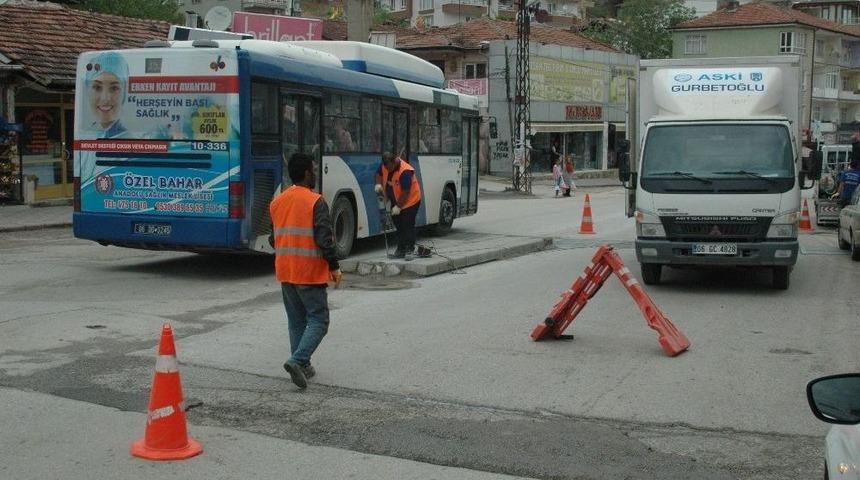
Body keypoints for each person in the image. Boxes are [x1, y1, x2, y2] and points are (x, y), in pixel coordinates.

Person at [269, 153, 342, 390]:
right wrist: (334, 266)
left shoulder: (278, 201)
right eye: (313, 169)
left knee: (296, 321)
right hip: (308, 272)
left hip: (286, 270)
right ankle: (298, 360)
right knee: (319, 320)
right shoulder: (315, 201)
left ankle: (303, 365)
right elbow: (325, 239)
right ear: (307, 173)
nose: (315, 173)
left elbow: (273, 238)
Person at [374, 151, 422, 260]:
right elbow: (378, 174)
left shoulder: (405, 171)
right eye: (386, 168)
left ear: (394, 162)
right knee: (398, 225)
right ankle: (401, 249)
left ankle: (410, 249)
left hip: (411, 201)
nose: (388, 170)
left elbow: (406, 192)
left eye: (389, 168)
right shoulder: (385, 165)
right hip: (396, 200)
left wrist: (398, 207)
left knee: (407, 225)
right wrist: (378, 184)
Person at [86, 52, 128, 139]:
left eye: (114, 88)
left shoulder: (131, 140)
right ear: (88, 90)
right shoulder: (84, 136)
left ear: (124, 93)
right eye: (97, 87)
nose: (105, 98)